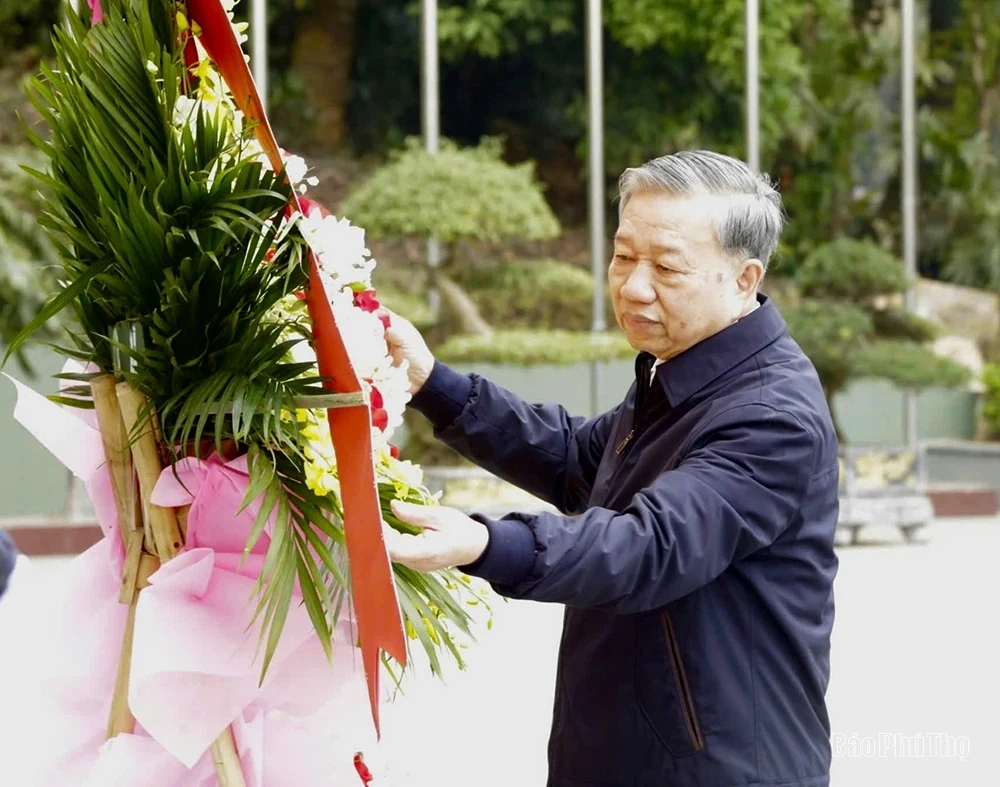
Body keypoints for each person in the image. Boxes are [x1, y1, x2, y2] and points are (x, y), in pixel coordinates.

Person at [385, 150, 839, 787]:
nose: (632, 285)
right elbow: (580, 459)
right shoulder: (680, 369)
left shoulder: (770, 415)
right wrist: (434, 384)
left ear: (744, 278)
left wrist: (489, 542)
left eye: (667, 266)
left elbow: (648, 544)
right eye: (624, 256)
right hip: (629, 749)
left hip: (716, 767)